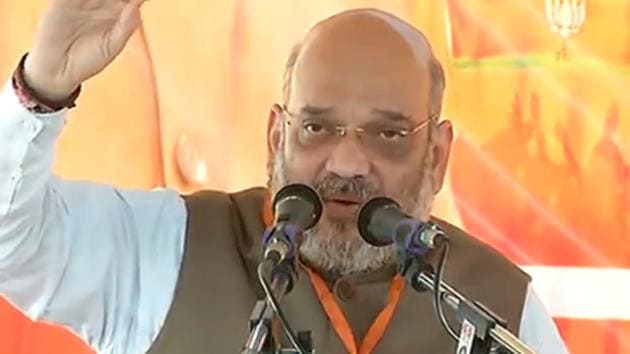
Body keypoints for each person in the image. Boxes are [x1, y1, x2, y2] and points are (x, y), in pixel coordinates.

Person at [0, 0, 568, 353]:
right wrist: (42, 86)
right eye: (317, 129)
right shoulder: (170, 248)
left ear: (437, 155)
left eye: (388, 135)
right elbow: (11, 245)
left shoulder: (499, 304)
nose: (347, 164)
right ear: (277, 136)